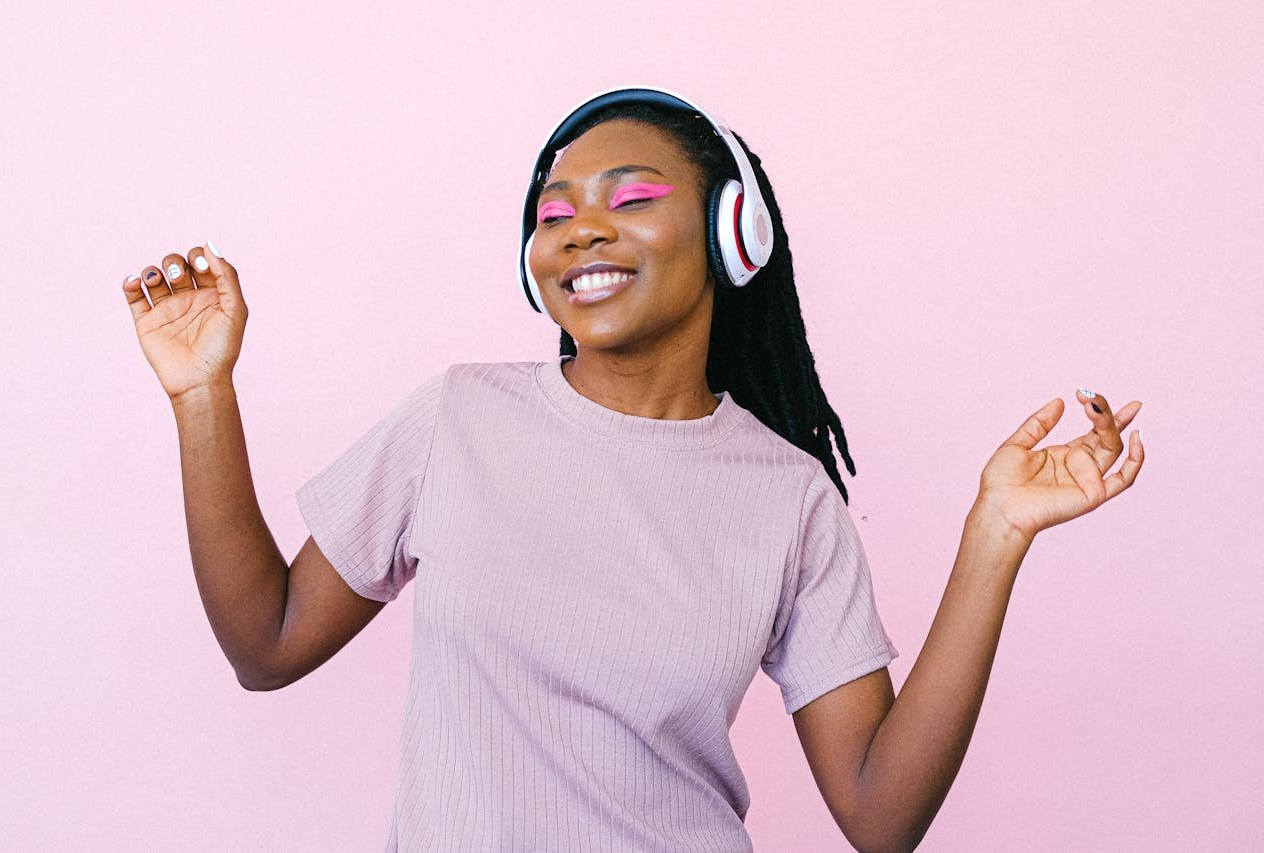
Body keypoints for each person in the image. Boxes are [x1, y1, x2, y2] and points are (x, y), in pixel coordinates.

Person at [121, 87, 1146, 852]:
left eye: (632, 196)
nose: (581, 230)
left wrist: (996, 533)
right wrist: (202, 394)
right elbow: (266, 644)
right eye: (555, 211)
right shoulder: (457, 417)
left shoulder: (787, 499)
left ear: (731, 235)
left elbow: (879, 814)